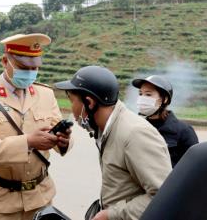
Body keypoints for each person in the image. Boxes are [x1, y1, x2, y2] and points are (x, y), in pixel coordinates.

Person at [0, 33, 72, 220]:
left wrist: (63, 141)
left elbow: (61, 142)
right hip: (0, 205)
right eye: (24, 68)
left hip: (41, 198)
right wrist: (28, 142)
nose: (31, 73)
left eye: (35, 68)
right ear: (5, 61)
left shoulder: (46, 94)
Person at [54, 66, 172, 220]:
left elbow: (163, 197)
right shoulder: (108, 129)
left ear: (89, 103)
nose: (72, 110)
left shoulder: (134, 134)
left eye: (72, 101)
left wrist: (111, 215)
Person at [132, 75, 199, 167]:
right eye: (140, 94)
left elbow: (195, 166)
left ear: (164, 99)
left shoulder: (183, 131)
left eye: (148, 94)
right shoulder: (137, 128)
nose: (142, 98)